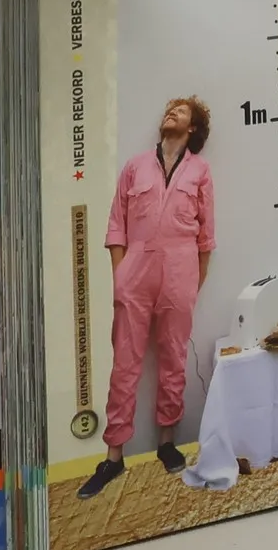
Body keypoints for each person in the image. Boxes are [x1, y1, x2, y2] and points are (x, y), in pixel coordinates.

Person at [79, 97, 215, 499]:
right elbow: (115, 225)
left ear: (193, 127)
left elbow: (206, 236)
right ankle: (114, 455)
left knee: (173, 358)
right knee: (125, 363)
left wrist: (192, 281)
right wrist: (121, 276)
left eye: (181, 110)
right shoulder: (135, 167)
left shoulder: (200, 171)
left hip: (180, 270)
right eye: (169, 108)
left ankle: (167, 442)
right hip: (135, 272)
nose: (171, 112)